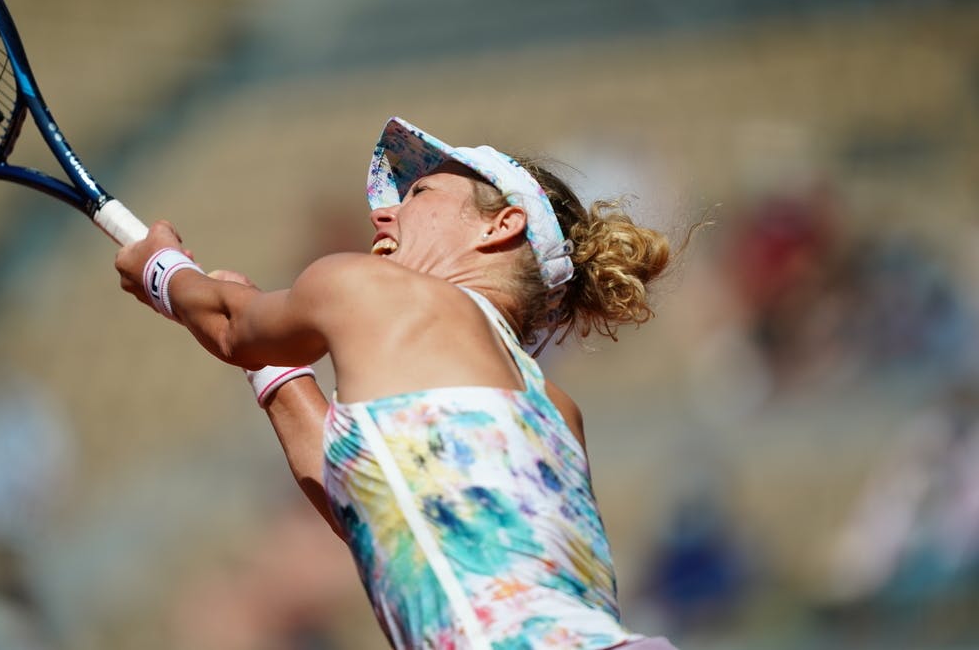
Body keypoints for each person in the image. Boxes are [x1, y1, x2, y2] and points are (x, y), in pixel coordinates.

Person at [116, 117, 678, 649]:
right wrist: (270, 369)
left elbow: (233, 324)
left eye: (420, 193)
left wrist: (161, 268)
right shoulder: (558, 408)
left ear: (501, 223)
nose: (382, 216)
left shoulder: (377, 290)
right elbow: (369, 514)